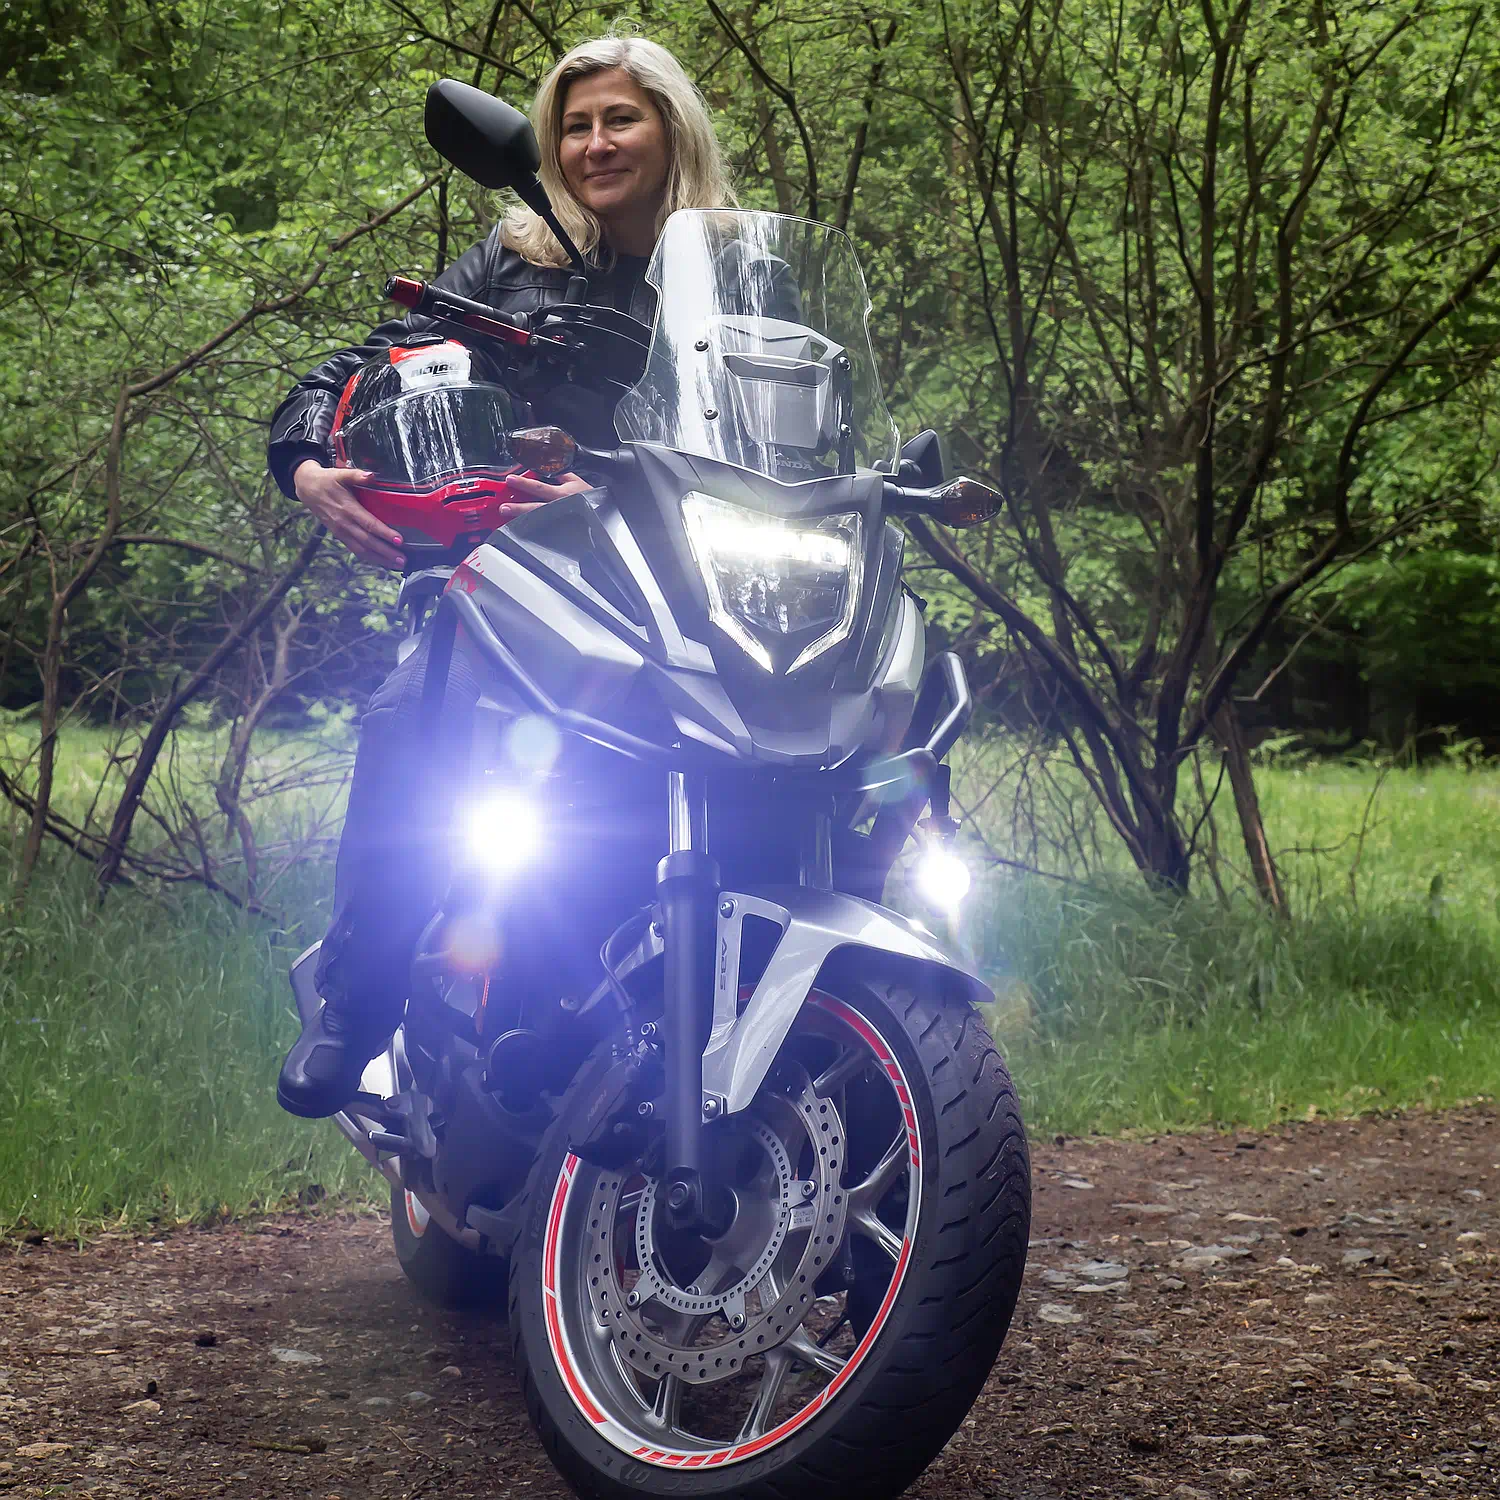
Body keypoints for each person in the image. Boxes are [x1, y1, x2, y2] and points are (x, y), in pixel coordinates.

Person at [269, 35, 737, 1118]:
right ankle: (361, 998)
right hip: (509, 576)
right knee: (413, 715)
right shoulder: (514, 259)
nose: (595, 143)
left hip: (683, 583)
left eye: (620, 119)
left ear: (672, 129)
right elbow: (368, 362)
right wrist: (305, 462)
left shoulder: (730, 272)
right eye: (574, 125)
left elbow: (793, 421)